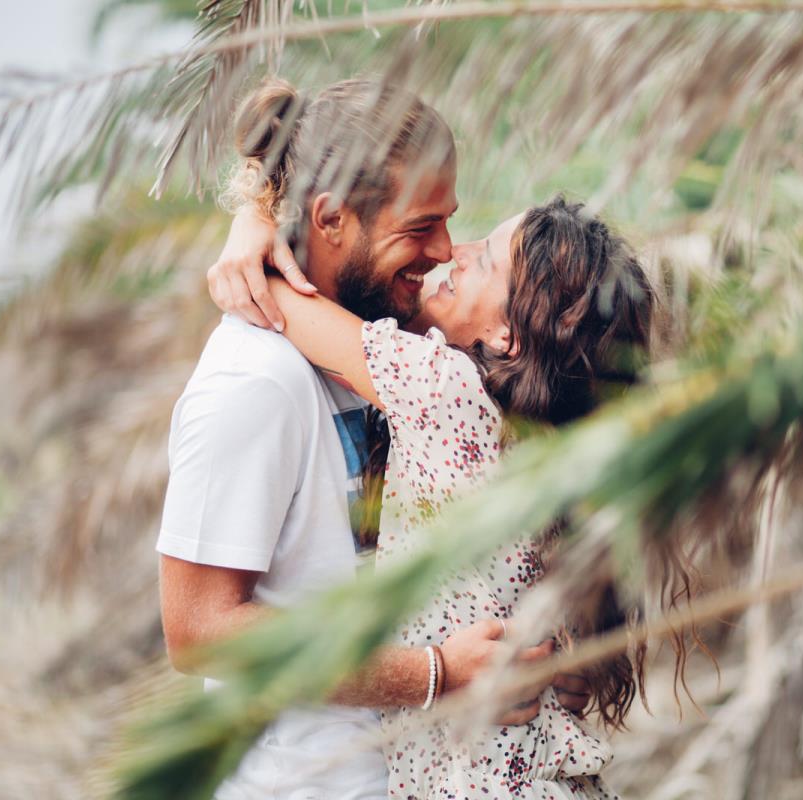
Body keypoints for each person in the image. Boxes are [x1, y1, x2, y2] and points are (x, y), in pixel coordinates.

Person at [158, 77, 578, 800]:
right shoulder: (255, 382)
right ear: (329, 221)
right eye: (421, 228)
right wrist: (436, 675)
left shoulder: (402, 342)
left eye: (448, 221)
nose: (446, 250)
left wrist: (253, 223)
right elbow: (198, 629)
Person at [236, 194, 655, 798]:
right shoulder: (543, 436)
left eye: (484, 261)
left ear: (506, 335)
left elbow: (275, 298)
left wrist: (249, 222)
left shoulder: (447, 388)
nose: (455, 252)